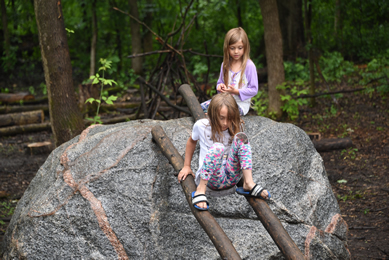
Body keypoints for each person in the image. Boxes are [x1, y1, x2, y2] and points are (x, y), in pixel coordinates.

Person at [178, 93, 270, 211]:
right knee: (218, 147)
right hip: (211, 179)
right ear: (211, 114)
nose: (225, 123)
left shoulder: (234, 126)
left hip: (231, 177)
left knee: (242, 137)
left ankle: (248, 183)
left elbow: (240, 150)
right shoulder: (201, 126)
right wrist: (186, 166)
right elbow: (192, 141)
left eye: (229, 118)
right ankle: (200, 190)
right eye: (221, 118)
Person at [201, 27, 258, 116]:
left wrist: (236, 91)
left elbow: (254, 90)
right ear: (227, 48)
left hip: (239, 105)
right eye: (232, 48)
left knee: (222, 112)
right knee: (200, 108)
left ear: (245, 47)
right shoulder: (225, 64)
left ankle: (211, 117)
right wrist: (220, 87)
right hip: (223, 100)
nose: (236, 51)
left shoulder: (249, 66)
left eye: (240, 48)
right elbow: (220, 82)